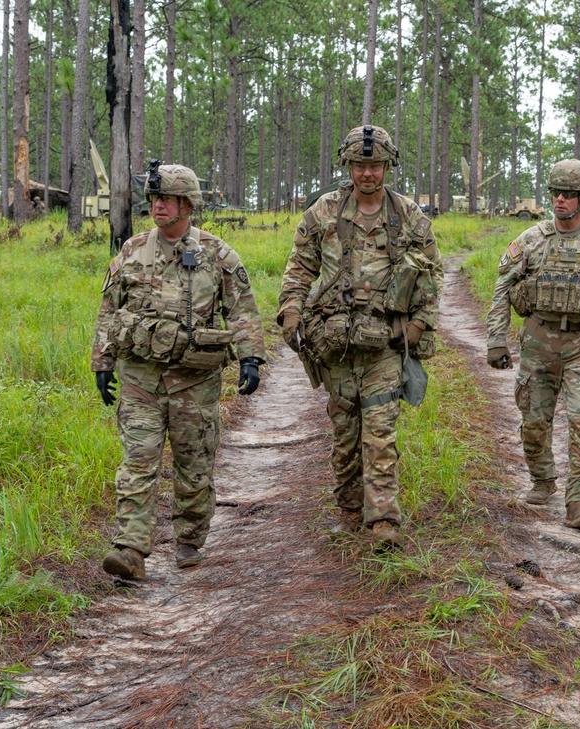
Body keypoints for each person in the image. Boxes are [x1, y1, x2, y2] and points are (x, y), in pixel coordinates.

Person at [91, 162, 266, 580]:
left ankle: (190, 538)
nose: (158, 206)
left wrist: (251, 357)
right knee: (138, 463)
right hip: (140, 380)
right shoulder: (132, 250)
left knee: (195, 467)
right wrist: (102, 362)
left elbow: (241, 308)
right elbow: (108, 310)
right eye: (154, 198)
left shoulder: (217, 254)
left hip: (195, 383)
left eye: (167, 199)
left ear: (188, 204)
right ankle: (131, 550)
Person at [278, 125, 442, 549]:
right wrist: (292, 315)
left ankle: (383, 520)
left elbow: (432, 277)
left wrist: (417, 327)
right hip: (335, 344)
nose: (367, 173)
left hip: (386, 344)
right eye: (359, 165)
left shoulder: (408, 216)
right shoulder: (322, 213)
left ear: (387, 165)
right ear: (347, 165)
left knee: (381, 430)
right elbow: (299, 268)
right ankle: (351, 510)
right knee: (345, 433)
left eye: (374, 165)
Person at [486, 159, 580, 529]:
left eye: (569, 195)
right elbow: (502, 288)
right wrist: (496, 339)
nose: (560, 200)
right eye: (555, 193)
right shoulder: (532, 240)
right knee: (535, 421)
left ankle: (578, 500)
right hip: (538, 341)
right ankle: (542, 480)